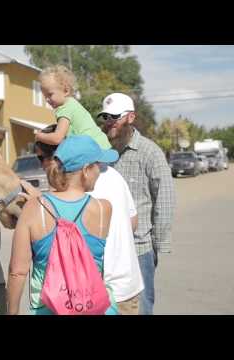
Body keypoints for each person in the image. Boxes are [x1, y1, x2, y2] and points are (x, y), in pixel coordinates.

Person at [31, 125, 144, 314]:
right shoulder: (114, 175)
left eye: (42, 158)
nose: (42, 164)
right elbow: (133, 222)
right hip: (127, 283)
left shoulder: (82, 188)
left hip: (94, 293)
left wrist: (38, 204)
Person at [7, 135, 119, 315]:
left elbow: (17, 272)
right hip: (96, 307)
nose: (100, 170)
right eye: (98, 164)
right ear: (85, 170)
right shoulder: (103, 208)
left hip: (49, 309)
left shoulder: (34, 209)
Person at [98, 92, 175, 315]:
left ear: (131, 117)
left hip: (139, 250)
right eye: (106, 117)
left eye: (115, 117)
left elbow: (165, 199)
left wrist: (157, 245)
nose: (109, 122)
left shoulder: (151, 153)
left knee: (140, 309)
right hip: (103, 249)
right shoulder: (102, 153)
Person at [34, 65, 111, 150]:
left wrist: (40, 136)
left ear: (66, 91)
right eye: (45, 96)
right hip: (102, 145)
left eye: (50, 94)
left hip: (94, 150)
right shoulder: (73, 104)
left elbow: (57, 138)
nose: (47, 99)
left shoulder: (65, 109)